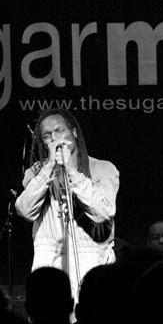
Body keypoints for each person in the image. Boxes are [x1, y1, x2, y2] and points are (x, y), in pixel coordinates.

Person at [15, 108, 120, 301]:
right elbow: (25, 210)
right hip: (50, 263)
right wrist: (49, 167)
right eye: (47, 135)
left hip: (93, 262)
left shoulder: (102, 168)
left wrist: (72, 171)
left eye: (59, 130)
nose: (54, 138)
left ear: (74, 132)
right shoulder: (36, 172)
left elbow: (104, 212)